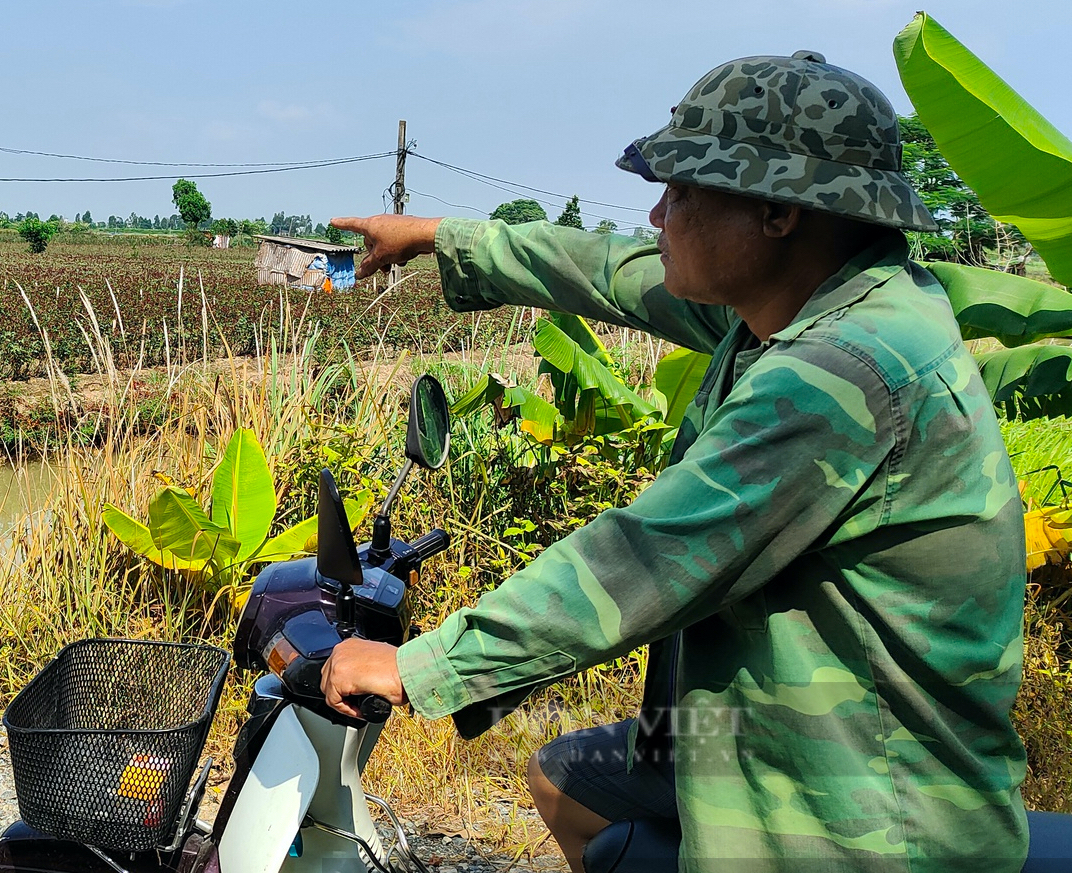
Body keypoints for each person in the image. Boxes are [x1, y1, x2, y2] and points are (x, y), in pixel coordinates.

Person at [322, 52, 1028, 873]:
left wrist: (422, 665)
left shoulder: (845, 375)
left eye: (685, 190)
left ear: (776, 212)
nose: (658, 214)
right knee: (562, 776)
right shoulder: (801, 299)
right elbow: (613, 274)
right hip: (748, 720)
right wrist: (444, 238)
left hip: (864, 802)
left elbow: (640, 558)